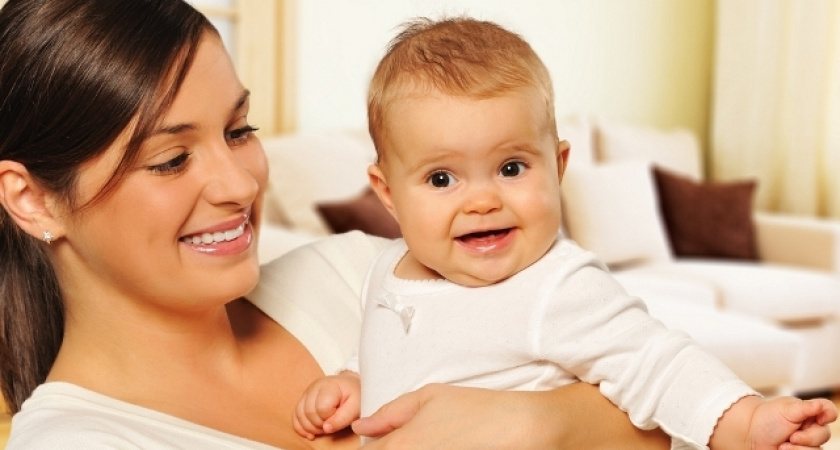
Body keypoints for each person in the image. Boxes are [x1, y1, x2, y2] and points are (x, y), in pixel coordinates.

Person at [0, 0, 678, 448]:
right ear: (32, 200)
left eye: (239, 130)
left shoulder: (365, 275)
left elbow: (669, 410)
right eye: (171, 160)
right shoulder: (76, 441)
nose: (241, 185)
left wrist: (535, 425)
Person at [293, 16, 838, 449]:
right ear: (387, 192)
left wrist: (745, 421)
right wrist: (353, 382)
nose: (483, 201)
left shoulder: (556, 285)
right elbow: (387, 351)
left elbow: (657, 363)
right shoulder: (385, 270)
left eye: (511, 168)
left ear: (557, 167)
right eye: (441, 179)